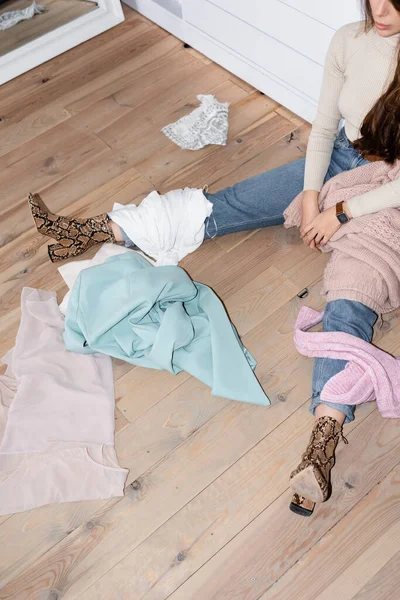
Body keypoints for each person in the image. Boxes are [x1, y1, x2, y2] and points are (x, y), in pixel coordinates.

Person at [29, 0, 400, 516]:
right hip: (345, 155)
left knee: (352, 293)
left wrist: (341, 214)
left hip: (392, 194)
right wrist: (313, 194)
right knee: (232, 204)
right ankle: (96, 230)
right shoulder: (349, 38)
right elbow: (322, 129)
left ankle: (323, 437)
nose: (380, 8)